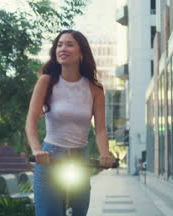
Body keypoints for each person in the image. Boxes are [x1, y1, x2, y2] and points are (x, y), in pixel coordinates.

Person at [25, 29, 114, 216]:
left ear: (81, 52)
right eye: (59, 45)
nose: (63, 48)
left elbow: (100, 130)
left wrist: (105, 154)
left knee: (79, 211)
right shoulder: (46, 81)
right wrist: (36, 150)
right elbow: (30, 123)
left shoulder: (95, 88)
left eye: (69, 44)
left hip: (80, 159)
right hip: (50, 157)